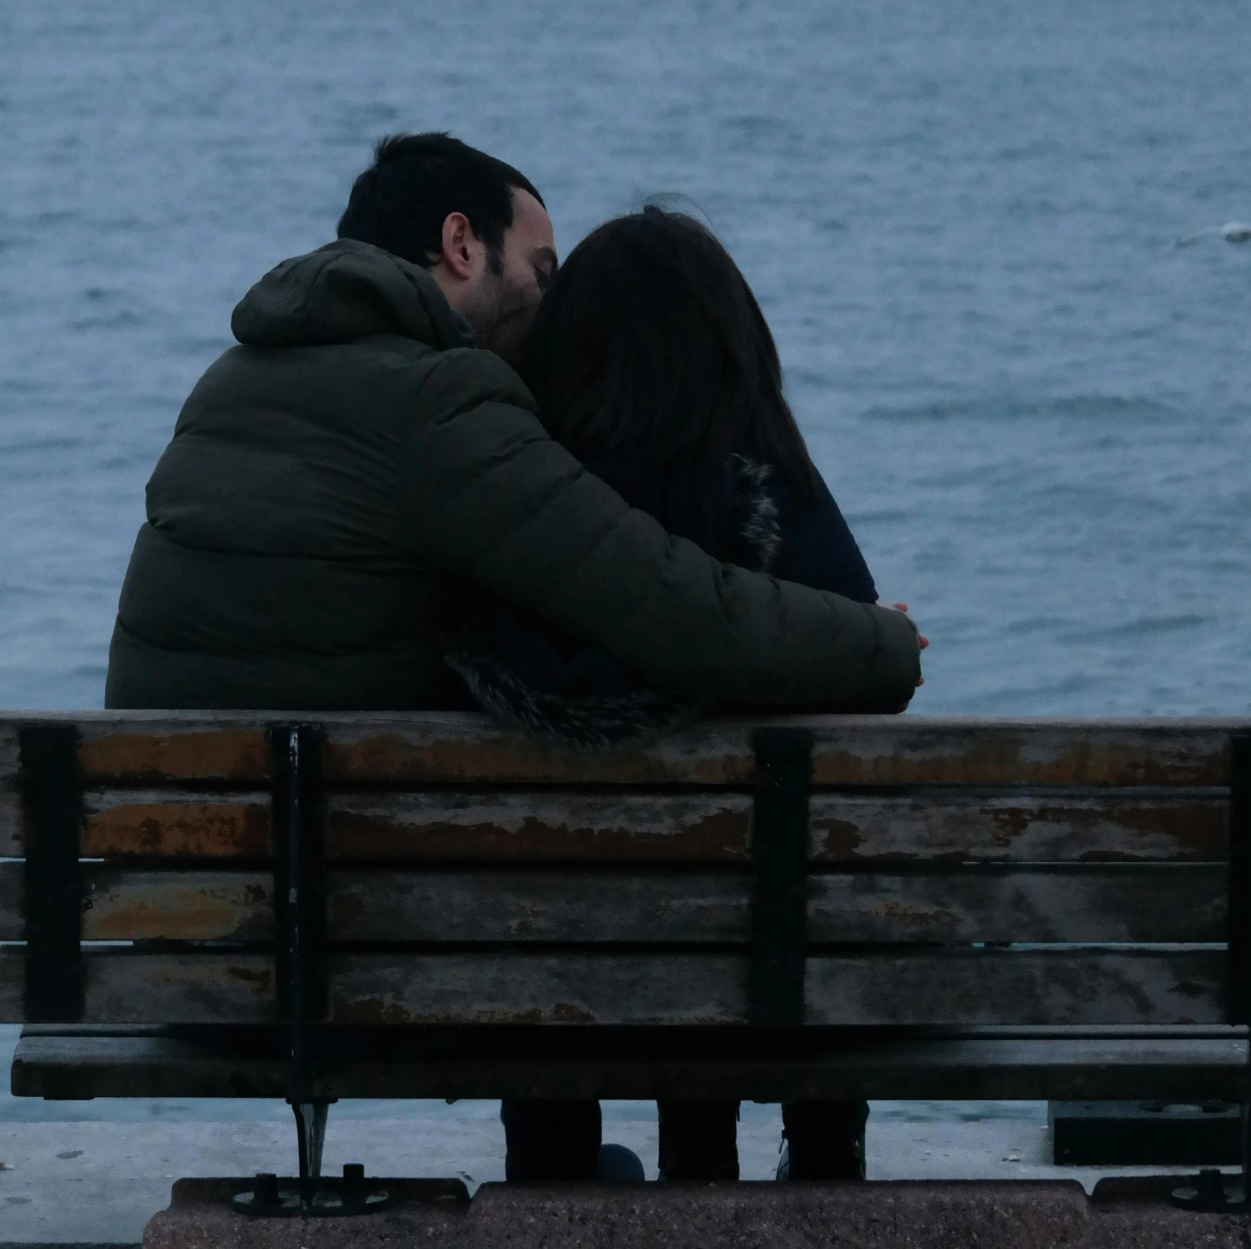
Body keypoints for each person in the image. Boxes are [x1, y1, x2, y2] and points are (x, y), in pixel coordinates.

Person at [105, 132, 921, 731]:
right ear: (462, 244)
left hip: (173, 861)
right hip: (315, 879)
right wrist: (880, 640)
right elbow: (669, 602)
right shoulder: (437, 404)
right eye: (542, 267)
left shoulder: (234, 380)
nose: (552, 305)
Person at [443, 205, 897, 1186]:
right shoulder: (779, 503)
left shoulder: (528, 514)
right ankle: (821, 1171)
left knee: (556, 915)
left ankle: (554, 1186)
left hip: (545, 985)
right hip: (772, 987)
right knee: (789, 900)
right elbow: (865, 674)